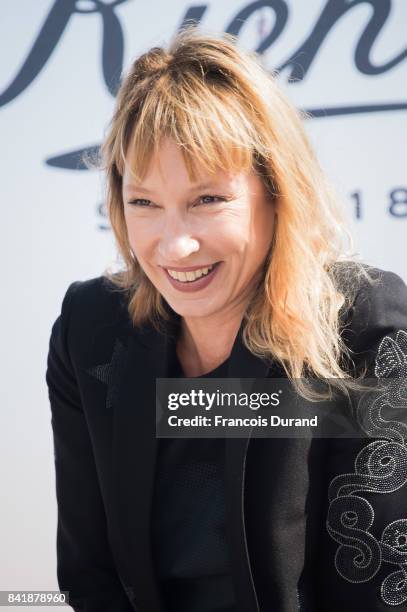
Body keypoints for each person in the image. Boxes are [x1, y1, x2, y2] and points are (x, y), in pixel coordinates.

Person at [46, 26, 407, 612]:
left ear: (277, 191)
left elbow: (380, 589)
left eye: (207, 199)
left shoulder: (364, 327)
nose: (174, 245)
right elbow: (90, 577)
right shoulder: (91, 333)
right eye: (145, 203)